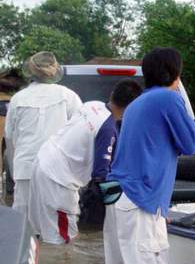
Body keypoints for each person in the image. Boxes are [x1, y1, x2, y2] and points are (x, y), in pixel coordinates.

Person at [104, 47, 195, 264]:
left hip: (116, 194)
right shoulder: (168, 98)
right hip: (140, 198)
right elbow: (190, 145)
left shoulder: (137, 103)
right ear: (175, 73)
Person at [27, 80, 143, 244]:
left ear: (112, 94)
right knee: (64, 240)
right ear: (132, 108)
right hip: (58, 179)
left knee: (39, 232)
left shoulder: (92, 105)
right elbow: (100, 175)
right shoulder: (108, 129)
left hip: (42, 161)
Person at [4, 51, 82, 234]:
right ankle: (61, 263)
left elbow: (10, 139)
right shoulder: (69, 96)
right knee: (61, 232)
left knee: (22, 230)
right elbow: (80, 136)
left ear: (30, 71)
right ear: (55, 71)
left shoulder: (18, 99)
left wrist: (17, 173)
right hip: (58, 172)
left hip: (25, 171)